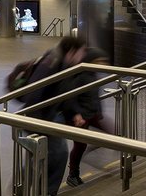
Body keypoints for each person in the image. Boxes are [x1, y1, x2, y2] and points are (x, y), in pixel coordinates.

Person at [20, 36, 87, 196]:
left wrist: (73, 113)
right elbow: (34, 93)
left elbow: (64, 93)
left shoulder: (62, 62)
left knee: (47, 156)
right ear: (71, 51)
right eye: (80, 53)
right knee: (56, 154)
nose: (81, 57)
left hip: (49, 115)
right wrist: (38, 125)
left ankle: (28, 189)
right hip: (40, 117)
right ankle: (43, 191)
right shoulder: (52, 62)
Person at [63, 47, 112, 188]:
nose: (103, 64)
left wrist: (99, 111)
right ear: (91, 61)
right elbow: (71, 98)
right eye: (100, 61)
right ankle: (73, 175)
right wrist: (77, 113)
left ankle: (92, 147)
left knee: (111, 135)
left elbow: (95, 97)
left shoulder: (93, 74)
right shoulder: (81, 77)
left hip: (93, 113)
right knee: (79, 145)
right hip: (81, 117)